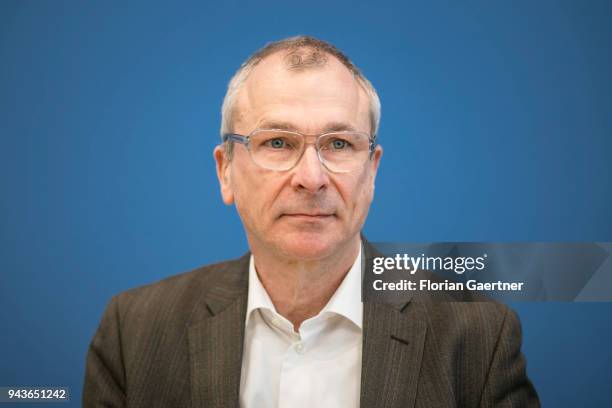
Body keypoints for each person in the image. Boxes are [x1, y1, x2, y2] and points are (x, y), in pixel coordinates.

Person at [83, 36, 540, 407]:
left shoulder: (477, 335)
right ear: (226, 171)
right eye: (278, 142)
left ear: (372, 170)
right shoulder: (134, 330)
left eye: (339, 144)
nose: (311, 178)